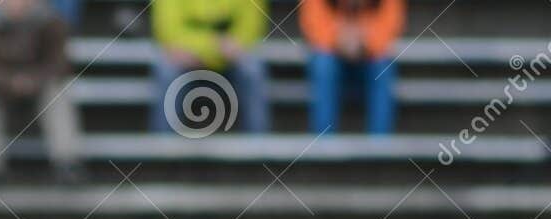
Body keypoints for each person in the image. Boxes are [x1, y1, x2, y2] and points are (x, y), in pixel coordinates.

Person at [0, 0, 83, 181]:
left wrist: (31, 80)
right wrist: (10, 81)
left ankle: (67, 161)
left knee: (58, 90)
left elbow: (60, 64)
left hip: (38, 88)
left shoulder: (51, 21)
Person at [149, 0, 270, 135]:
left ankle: (258, 149)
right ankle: (163, 150)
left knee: (252, 68)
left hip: (231, 57)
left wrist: (226, 48)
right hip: (188, 58)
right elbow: (168, 30)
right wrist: (213, 48)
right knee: (166, 70)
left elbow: (251, 27)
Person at [300, 0, 404, 135]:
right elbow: (313, 20)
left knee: (383, 65)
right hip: (332, 54)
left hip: (369, 56)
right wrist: (338, 38)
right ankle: (323, 146)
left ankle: (380, 147)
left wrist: (365, 40)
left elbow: (391, 21)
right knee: (323, 64)